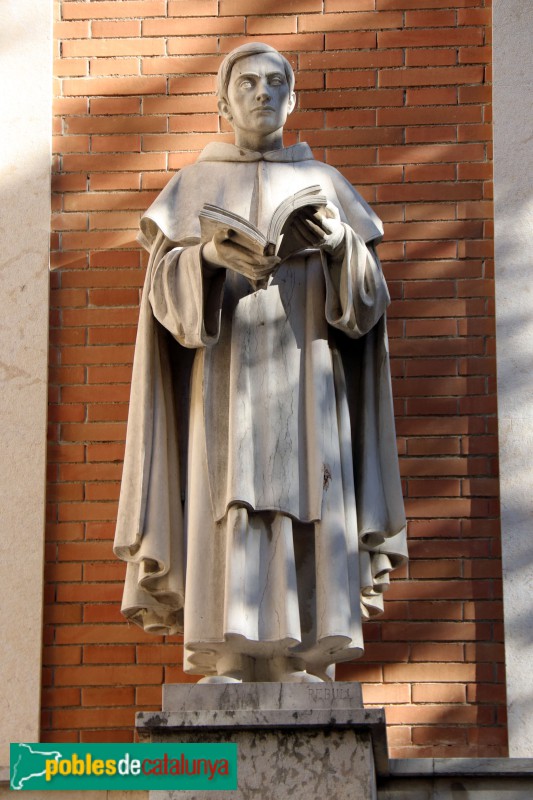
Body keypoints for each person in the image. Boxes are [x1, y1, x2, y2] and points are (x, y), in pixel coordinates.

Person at [114, 42, 407, 683]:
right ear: (223, 103)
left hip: (308, 373)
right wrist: (207, 258)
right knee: (225, 502)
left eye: (276, 82)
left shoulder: (325, 182)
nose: (262, 93)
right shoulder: (192, 185)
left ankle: (304, 654)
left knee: (313, 497)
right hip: (224, 380)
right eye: (246, 83)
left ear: (292, 100)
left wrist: (338, 243)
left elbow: (368, 305)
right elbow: (161, 299)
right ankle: (226, 653)